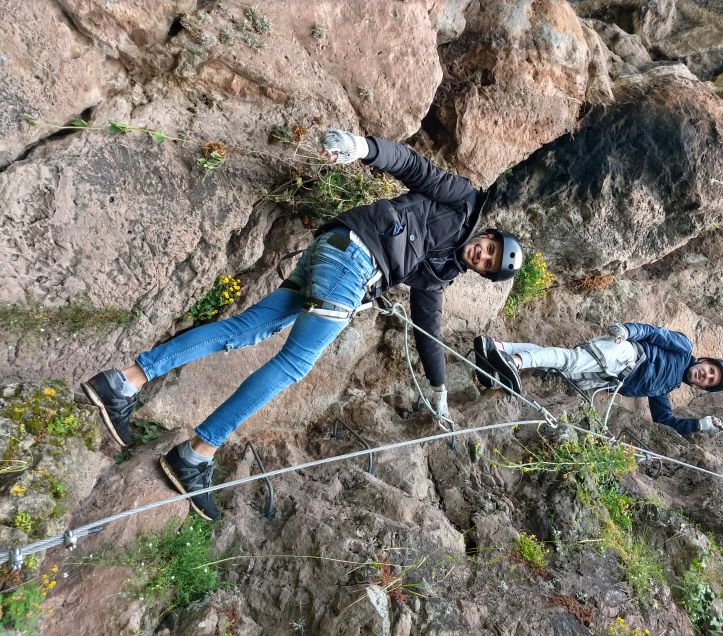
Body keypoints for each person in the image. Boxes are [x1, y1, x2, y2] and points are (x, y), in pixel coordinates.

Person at [81, 130, 524, 520]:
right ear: (489, 234)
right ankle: (197, 453)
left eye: (487, 264)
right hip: (352, 263)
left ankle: (123, 383)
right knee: (292, 366)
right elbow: (411, 165)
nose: (481, 256)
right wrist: (362, 148)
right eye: (488, 248)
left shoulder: (442, 272)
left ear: (482, 274)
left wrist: (440, 388)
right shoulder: (462, 201)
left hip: (333, 252)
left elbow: (430, 322)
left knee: (245, 330)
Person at [474, 322, 723, 436]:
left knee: (561, 365)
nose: (706, 376)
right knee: (570, 360)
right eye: (710, 371)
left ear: (701, 387)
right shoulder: (684, 348)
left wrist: (699, 426)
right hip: (627, 354)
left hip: (609, 379)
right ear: (706, 361)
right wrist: (627, 330)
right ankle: (515, 362)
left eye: (709, 381)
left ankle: (498, 346)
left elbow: (664, 420)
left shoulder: (665, 388)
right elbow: (654, 334)